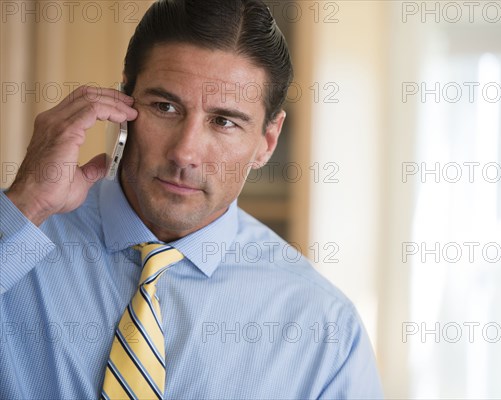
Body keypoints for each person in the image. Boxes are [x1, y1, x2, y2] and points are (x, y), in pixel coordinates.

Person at [0, 0, 383, 398]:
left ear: (267, 142)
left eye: (224, 121)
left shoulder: (324, 331)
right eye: (164, 107)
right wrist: (26, 205)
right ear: (120, 104)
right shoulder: (18, 230)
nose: (185, 152)